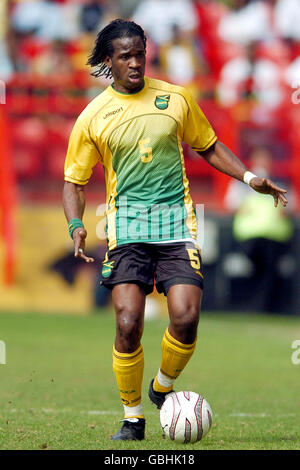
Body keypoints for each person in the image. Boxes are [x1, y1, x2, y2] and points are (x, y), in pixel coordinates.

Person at [62, 19, 288, 441]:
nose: (134, 63)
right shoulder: (93, 115)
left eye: (139, 54)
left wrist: (250, 177)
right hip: (126, 231)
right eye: (125, 56)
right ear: (109, 61)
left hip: (176, 227)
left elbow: (209, 145)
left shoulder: (176, 99)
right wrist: (76, 223)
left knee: (185, 318)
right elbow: (73, 181)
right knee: (128, 321)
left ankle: (162, 388)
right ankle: (133, 420)